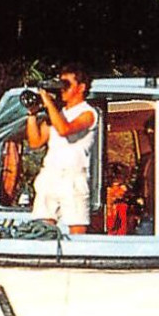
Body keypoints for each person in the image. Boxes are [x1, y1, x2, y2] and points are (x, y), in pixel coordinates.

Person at [26, 64, 97, 234]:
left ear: (81, 87)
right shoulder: (56, 114)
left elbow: (65, 129)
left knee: (77, 228)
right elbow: (35, 143)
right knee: (43, 229)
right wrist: (32, 114)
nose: (62, 89)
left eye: (66, 84)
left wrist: (49, 103)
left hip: (72, 177)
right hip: (50, 174)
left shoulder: (88, 113)